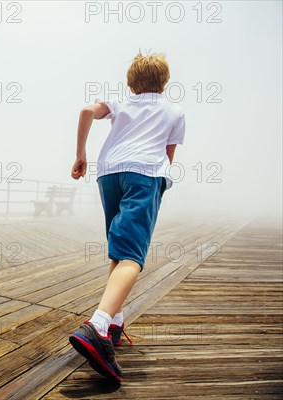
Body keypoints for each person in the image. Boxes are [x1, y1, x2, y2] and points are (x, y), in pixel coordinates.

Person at [68, 52, 186, 381]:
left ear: (130, 83)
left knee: (119, 250)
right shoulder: (174, 111)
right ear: (164, 83)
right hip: (144, 175)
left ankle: (115, 323)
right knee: (133, 256)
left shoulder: (120, 103)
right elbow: (167, 157)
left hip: (109, 174)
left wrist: (81, 155)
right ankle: (97, 325)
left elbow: (86, 111)